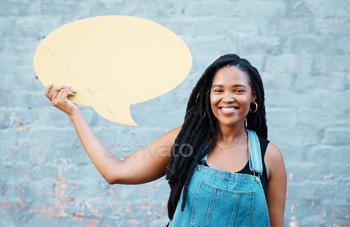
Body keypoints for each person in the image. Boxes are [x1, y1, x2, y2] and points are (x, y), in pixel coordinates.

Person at [44, 54, 286, 226]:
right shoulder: (184, 141)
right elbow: (115, 172)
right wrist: (74, 113)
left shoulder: (268, 157)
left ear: (253, 96)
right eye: (219, 90)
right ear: (208, 96)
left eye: (238, 90)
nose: (227, 98)